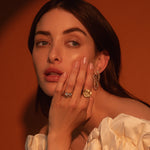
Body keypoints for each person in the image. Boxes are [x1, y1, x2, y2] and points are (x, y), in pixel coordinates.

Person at [25, 0, 150, 149]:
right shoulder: (45, 136)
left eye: (72, 43)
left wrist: (59, 135)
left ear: (100, 61)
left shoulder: (135, 129)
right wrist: (58, 134)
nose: (52, 55)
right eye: (43, 42)